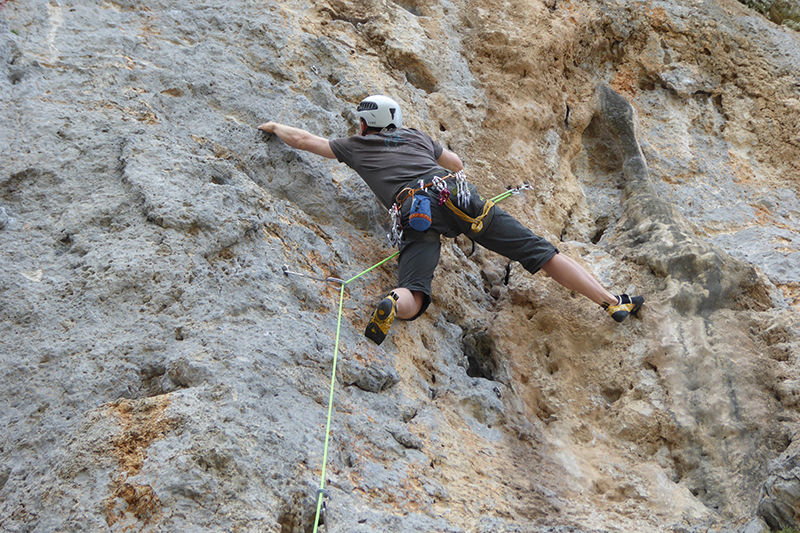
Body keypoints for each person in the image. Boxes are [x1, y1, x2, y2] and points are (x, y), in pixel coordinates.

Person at [259, 95, 643, 345]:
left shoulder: (354, 146)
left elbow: (305, 140)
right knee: (541, 253)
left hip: (414, 211)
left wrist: (276, 127)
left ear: (363, 124)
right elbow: (456, 163)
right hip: (456, 195)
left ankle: (396, 301)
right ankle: (611, 301)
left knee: (416, 285)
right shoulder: (417, 137)